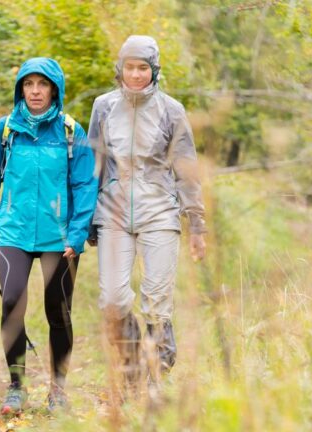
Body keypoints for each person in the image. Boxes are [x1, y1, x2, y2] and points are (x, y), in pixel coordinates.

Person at [0, 57, 97, 415]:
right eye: (28, 84)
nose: (35, 91)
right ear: (20, 89)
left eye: (42, 84)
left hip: (60, 237)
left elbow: (85, 185)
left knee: (59, 310)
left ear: (54, 89)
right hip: (13, 232)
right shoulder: (5, 131)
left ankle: (58, 389)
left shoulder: (72, 132)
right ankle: (16, 387)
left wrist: (77, 232)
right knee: (11, 304)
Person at [87, 35, 207, 390]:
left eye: (143, 68)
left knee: (157, 298)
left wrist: (197, 225)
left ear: (154, 70)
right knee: (112, 297)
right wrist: (85, 219)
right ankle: (132, 359)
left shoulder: (172, 110)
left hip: (159, 212)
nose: (136, 74)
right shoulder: (103, 107)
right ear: (119, 69)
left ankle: (159, 371)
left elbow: (187, 170)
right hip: (113, 212)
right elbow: (92, 165)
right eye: (130, 67)